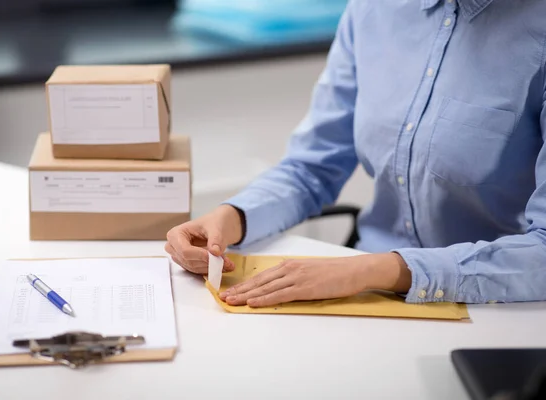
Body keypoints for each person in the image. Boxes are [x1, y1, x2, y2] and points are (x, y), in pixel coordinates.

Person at [166, 0, 546, 308]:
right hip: (365, 291)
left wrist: (375, 271)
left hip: (499, 304)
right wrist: (231, 218)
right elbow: (310, 168)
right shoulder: (373, 10)